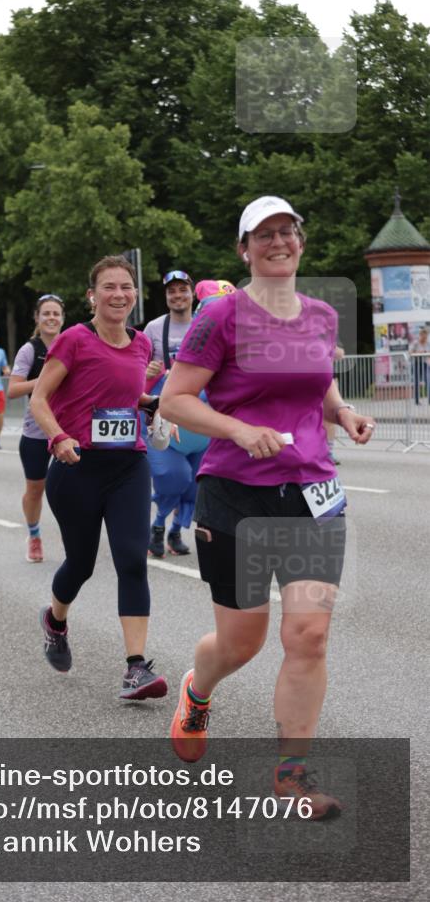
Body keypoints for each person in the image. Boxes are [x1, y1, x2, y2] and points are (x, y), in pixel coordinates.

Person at [161, 195, 376, 818]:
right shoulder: (219, 318)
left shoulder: (318, 315)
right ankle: (198, 692)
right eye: (265, 235)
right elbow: (175, 400)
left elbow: (317, 379)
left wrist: (341, 411)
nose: (279, 243)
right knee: (241, 642)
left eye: (288, 233)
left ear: (300, 242)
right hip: (234, 497)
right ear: (244, 248)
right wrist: (235, 429)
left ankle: (291, 776)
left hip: (312, 493)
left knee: (307, 635)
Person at [30, 255, 168, 701]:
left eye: (126, 287)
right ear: (92, 296)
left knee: (132, 559)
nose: (119, 295)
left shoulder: (142, 343)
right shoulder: (74, 340)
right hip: (76, 467)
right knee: (82, 564)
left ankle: (136, 670)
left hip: (128, 465)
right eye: (109, 287)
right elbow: (39, 398)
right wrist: (57, 438)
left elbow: (126, 393)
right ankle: (55, 619)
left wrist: (149, 404)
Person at [143, 270, 207, 558]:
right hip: (164, 416)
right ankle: (157, 525)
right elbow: (135, 370)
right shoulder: (154, 329)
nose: (177, 295)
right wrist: (147, 370)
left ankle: (175, 531)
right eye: (172, 291)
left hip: (201, 414)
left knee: (196, 483)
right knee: (173, 476)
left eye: (183, 290)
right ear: (166, 296)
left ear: (192, 294)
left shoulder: (206, 324)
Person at [8, 294, 65, 563]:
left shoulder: (72, 344)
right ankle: (34, 535)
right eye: (47, 314)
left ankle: (74, 539)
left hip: (69, 430)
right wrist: (43, 380)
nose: (51, 318)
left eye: (56, 314)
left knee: (73, 488)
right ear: (37, 318)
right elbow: (13, 389)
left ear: (62, 318)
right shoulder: (30, 350)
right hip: (36, 433)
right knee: (35, 490)